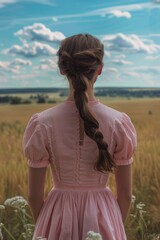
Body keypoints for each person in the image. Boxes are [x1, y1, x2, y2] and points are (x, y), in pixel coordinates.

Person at [23, 33, 137, 240]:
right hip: (105, 215)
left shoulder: (42, 123)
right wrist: (113, 225)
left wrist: (47, 224)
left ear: (62, 68)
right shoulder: (119, 122)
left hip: (56, 216)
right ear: (100, 69)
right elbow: (126, 197)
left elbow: (33, 196)